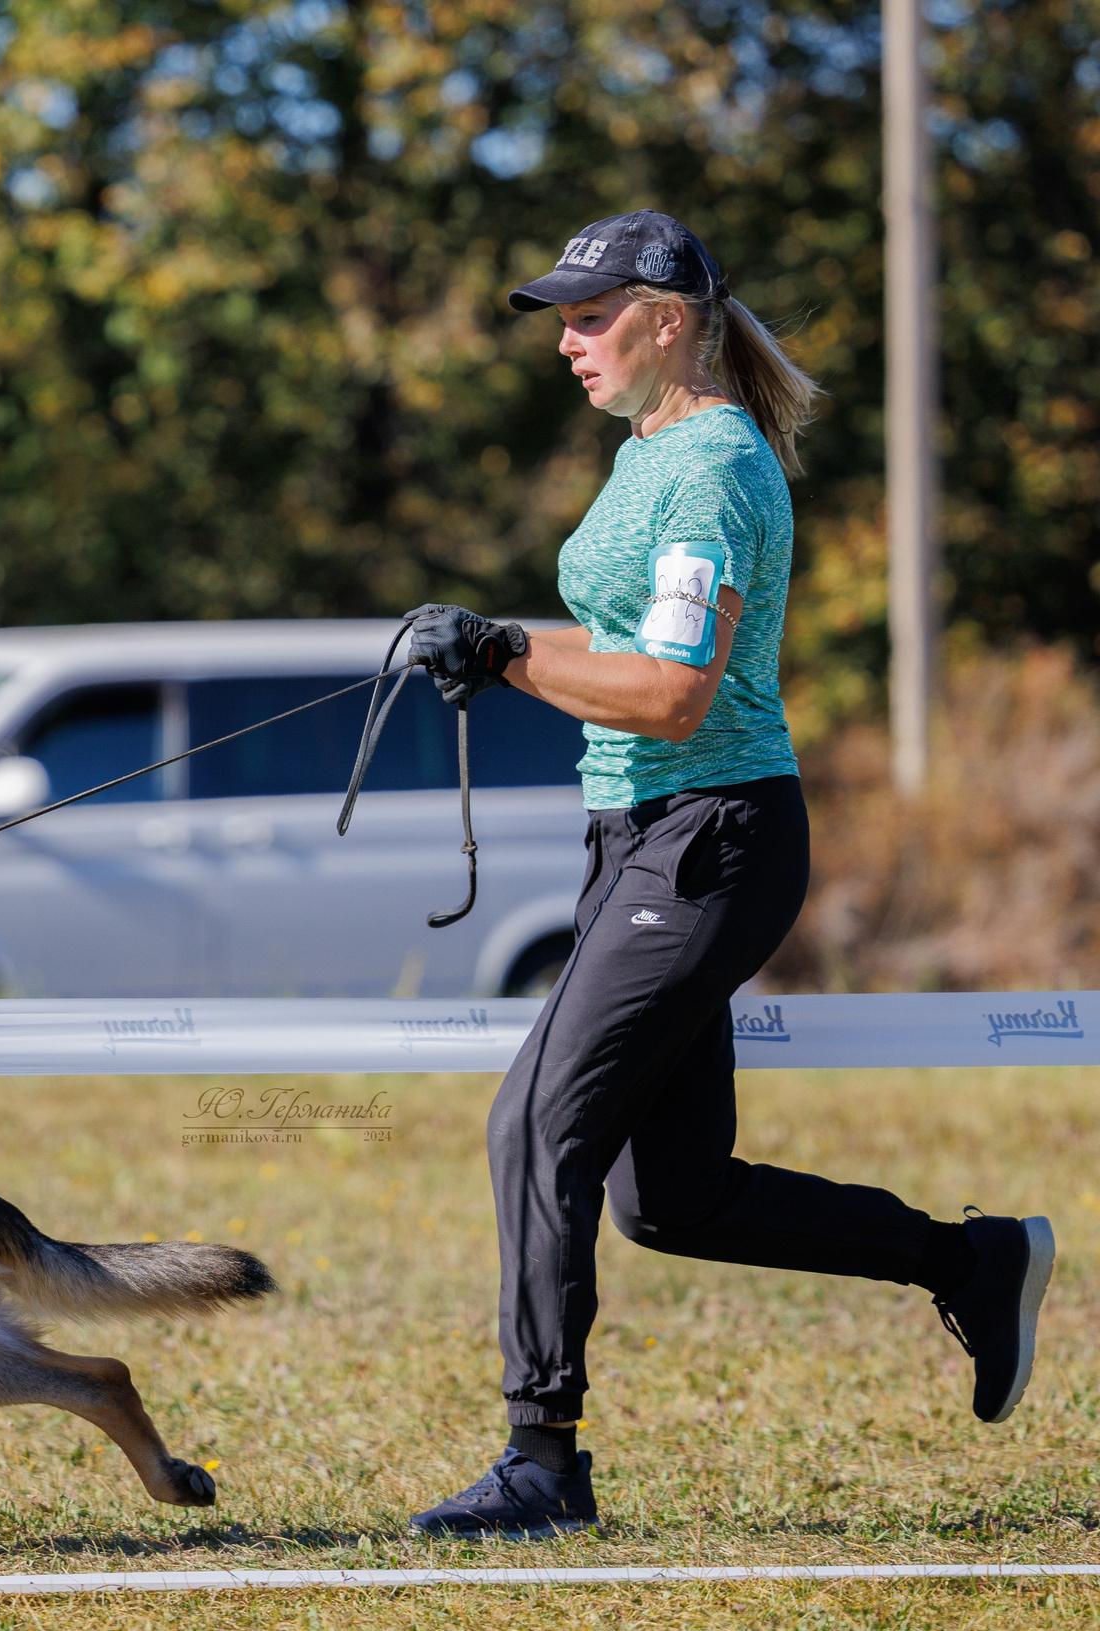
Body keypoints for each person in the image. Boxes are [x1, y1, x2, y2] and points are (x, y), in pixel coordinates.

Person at [401, 212, 1052, 1538]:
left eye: (590, 316)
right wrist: (502, 652)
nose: (568, 341)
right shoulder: (649, 450)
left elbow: (676, 693)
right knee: (671, 1198)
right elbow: (621, 650)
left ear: (667, 320)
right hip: (634, 837)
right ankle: (969, 1258)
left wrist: (508, 652)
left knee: (533, 1123)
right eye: (564, 319)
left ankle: (542, 1459)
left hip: (708, 838)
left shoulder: (712, 471)